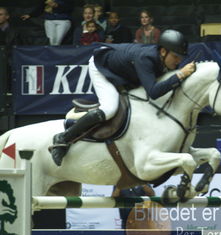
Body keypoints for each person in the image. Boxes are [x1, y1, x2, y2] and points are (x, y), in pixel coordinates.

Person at [50, 29, 196, 166]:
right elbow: (153, 92)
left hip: (122, 70)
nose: (178, 62)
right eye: (176, 57)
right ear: (163, 51)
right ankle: (63, 138)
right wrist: (181, 74)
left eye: (180, 58)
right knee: (109, 109)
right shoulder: (146, 58)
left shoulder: (162, 58)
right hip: (101, 66)